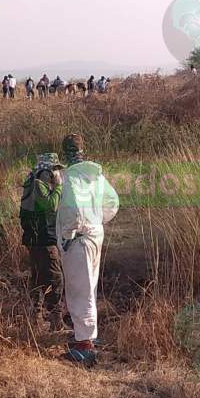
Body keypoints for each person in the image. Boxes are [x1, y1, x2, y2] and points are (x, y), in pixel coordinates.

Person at [56, 134, 119, 366]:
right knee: (89, 286)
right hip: (94, 234)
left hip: (79, 239)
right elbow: (113, 203)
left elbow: (72, 212)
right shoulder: (96, 175)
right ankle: (88, 336)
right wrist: (96, 221)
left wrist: (68, 234)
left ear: (65, 152)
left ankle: (84, 347)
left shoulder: (71, 176)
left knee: (78, 290)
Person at [19, 153, 67, 331]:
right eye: (54, 169)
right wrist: (59, 187)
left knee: (38, 279)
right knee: (56, 278)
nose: (56, 174)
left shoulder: (32, 182)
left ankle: (35, 320)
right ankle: (56, 321)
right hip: (44, 240)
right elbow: (50, 206)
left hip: (35, 239)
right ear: (47, 170)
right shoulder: (39, 185)